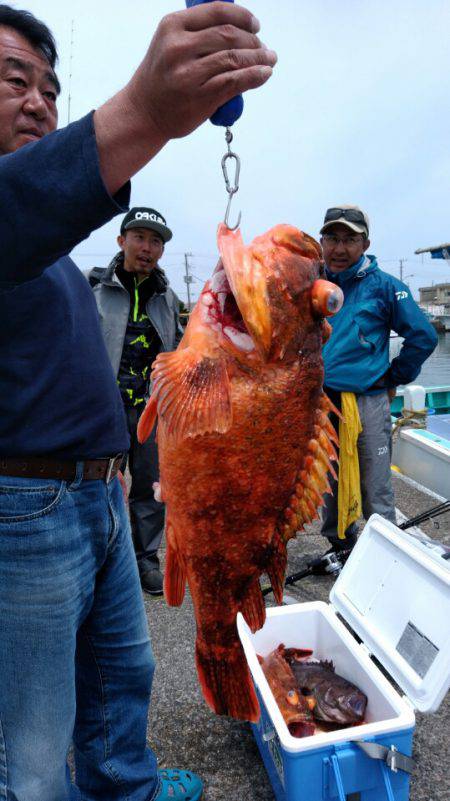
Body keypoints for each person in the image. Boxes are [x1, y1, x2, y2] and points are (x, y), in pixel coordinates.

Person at [0, 4, 277, 800]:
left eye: (51, 88)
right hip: (23, 511)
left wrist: (116, 459)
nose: (41, 102)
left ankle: (125, 783)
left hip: (105, 486)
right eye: (15, 79)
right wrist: (149, 110)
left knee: (126, 667)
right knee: (35, 732)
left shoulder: (54, 248)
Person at [319, 205, 438, 553]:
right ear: (321, 241)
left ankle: (381, 549)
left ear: (365, 244)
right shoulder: (312, 284)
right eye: (332, 238)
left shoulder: (385, 286)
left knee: (375, 479)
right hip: (320, 400)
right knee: (328, 480)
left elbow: (423, 337)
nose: (340, 249)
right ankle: (338, 545)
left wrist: (392, 377)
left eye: (350, 240)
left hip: (368, 399)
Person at [89, 207, 183, 596]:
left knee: (150, 487)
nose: (147, 247)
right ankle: (95, 561)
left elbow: (180, 351)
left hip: (150, 410)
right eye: (140, 237)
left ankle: (146, 560)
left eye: (156, 241)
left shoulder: (168, 297)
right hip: (100, 408)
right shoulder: (91, 287)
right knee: (96, 486)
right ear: (121, 240)